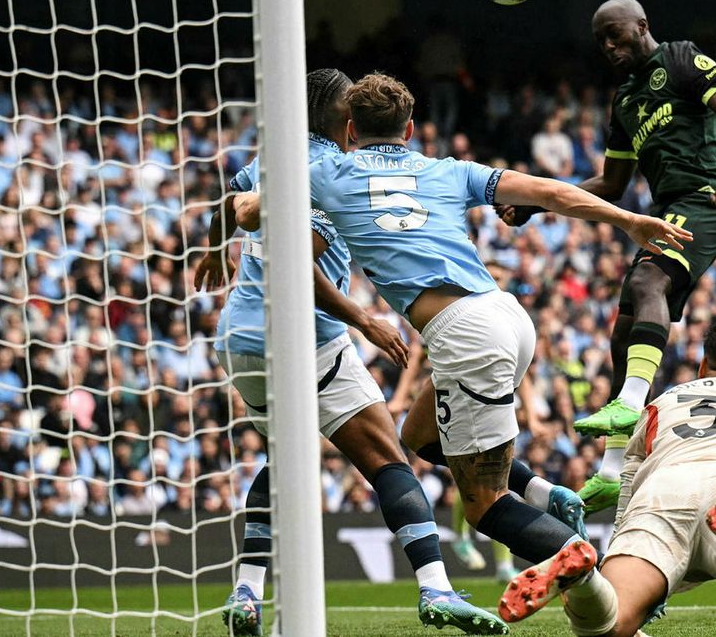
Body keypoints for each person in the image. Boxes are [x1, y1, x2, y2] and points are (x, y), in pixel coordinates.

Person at [305, 72, 690, 622]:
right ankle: (542, 493)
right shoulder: (447, 170)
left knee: (483, 506)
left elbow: (254, 204)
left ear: (349, 129)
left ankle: (599, 570)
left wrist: (235, 216)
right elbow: (551, 192)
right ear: (410, 129)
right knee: (417, 437)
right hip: (508, 318)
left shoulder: (327, 171)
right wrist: (626, 218)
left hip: (464, 337)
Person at [195, 69, 506, 635]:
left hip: (239, 339)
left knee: (286, 460)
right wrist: (364, 319)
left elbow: (233, 200)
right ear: (347, 122)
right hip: (303, 336)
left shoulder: (274, 158)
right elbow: (296, 256)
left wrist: (218, 248)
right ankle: (436, 588)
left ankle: (246, 590)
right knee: (388, 457)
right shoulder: (335, 172)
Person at [498, 0, 716, 512]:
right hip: (667, 212)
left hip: (706, 200)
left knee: (647, 285)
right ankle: (613, 472)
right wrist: (536, 204)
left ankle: (630, 405)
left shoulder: (683, 59)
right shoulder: (626, 101)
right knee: (624, 326)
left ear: (642, 26)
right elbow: (612, 183)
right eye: (601, 41)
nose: (609, 47)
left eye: (615, 35)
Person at [508, 318, 716, 637]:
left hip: (664, 496)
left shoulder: (661, 404)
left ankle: (584, 583)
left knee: (610, 623)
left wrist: (617, 557)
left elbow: (629, 487)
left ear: (703, 365)